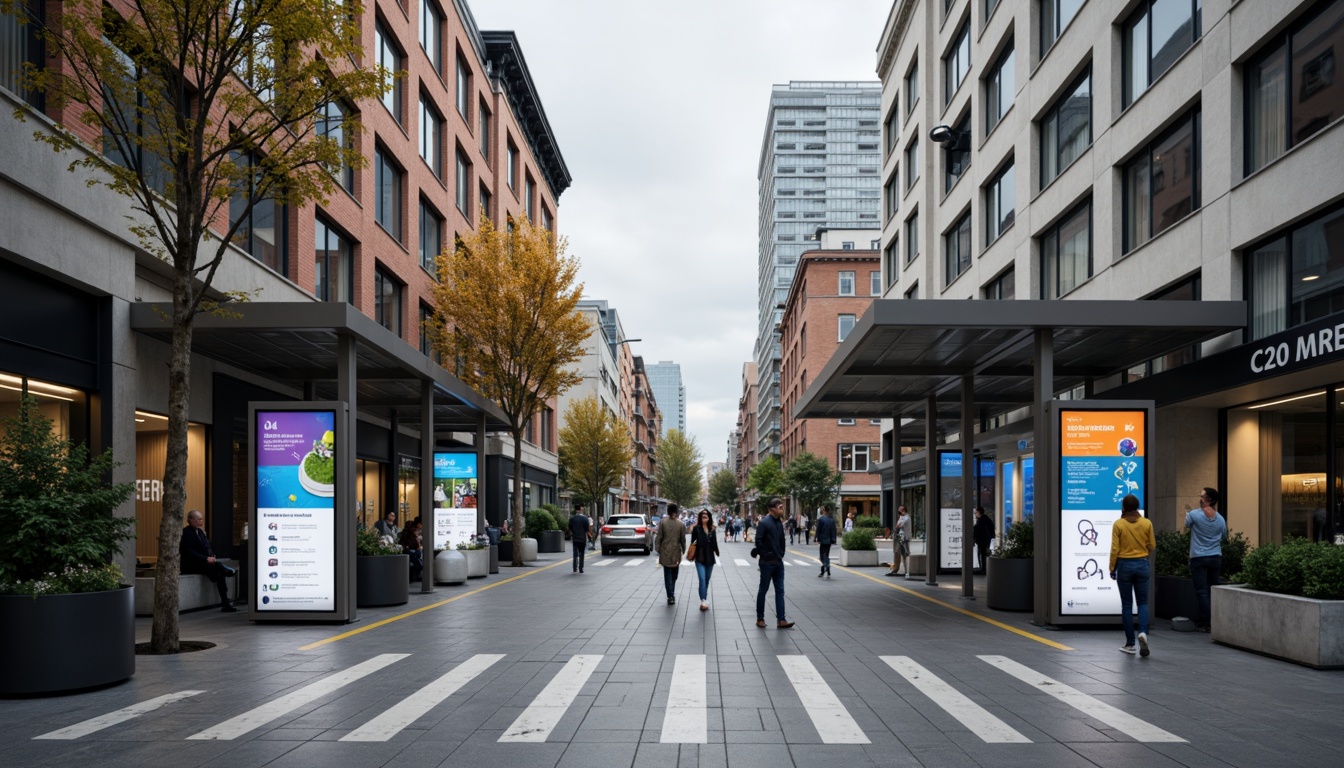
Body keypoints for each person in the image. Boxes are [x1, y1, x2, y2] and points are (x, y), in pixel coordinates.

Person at [1110, 494, 1156, 657]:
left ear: (1123, 507)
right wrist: (1144, 556)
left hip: (1124, 565)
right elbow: (1152, 545)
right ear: (1137, 506)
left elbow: (1115, 548)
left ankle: (1130, 643)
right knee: (1143, 603)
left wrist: (1112, 568)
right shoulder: (1146, 523)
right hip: (1142, 563)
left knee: (1127, 605)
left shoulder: (1119, 524)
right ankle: (1143, 632)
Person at [1186, 487, 1228, 632]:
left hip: (1198, 557)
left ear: (1207, 499)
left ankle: (1208, 622)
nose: (1200, 497)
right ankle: (1212, 620)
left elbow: (1186, 527)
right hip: (1216, 556)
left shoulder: (1194, 515)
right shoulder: (1221, 519)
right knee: (1213, 589)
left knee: (1202, 591)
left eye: (1201, 495)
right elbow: (1224, 537)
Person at [180, 510, 236, 612]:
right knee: (218, 567)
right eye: (199, 519)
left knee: (219, 575)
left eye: (202, 519)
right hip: (192, 565)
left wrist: (211, 556)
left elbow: (206, 547)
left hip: (203, 564)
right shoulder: (186, 533)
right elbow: (190, 552)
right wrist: (206, 558)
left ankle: (225, 603)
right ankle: (226, 570)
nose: (201, 521)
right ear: (191, 520)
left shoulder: (200, 532)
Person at [755, 497, 795, 629]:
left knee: (780, 591)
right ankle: (760, 618)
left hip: (778, 562)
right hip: (766, 563)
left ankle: (781, 619)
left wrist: (781, 554)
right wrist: (765, 555)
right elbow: (758, 541)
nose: (782, 509)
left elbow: (781, 540)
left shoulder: (779, 522)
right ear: (772, 509)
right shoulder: (764, 523)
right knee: (763, 590)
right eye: (780, 507)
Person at [689, 509, 721, 611]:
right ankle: (703, 600)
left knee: (706, 580)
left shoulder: (712, 529)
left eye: (706, 516)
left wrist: (717, 551)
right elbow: (693, 542)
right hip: (700, 556)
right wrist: (691, 553)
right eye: (703, 517)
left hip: (710, 557)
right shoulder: (696, 529)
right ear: (700, 518)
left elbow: (714, 542)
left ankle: (704, 597)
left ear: (709, 518)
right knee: (702, 579)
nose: (704, 518)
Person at [656, 502, 687, 604]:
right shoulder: (681, 524)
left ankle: (670, 595)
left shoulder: (663, 522)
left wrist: (658, 548)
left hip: (665, 551)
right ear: (676, 512)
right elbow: (683, 539)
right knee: (674, 574)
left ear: (668, 512)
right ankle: (671, 594)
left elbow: (659, 536)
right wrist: (683, 549)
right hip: (675, 552)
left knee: (667, 574)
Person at [815, 504, 838, 578]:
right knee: (827, 555)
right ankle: (827, 569)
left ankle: (824, 567)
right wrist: (833, 540)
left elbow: (818, 530)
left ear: (824, 510)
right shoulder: (832, 520)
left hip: (823, 540)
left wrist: (816, 538)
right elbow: (834, 531)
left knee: (822, 556)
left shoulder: (821, 520)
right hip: (829, 541)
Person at [887, 505, 911, 576]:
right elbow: (897, 526)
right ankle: (896, 568)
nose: (899, 512)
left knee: (904, 553)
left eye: (900, 510)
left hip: (904, 538)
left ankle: (906, 571)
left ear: (903, 510)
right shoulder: (902, 517)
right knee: (897, 552)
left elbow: (899, 526)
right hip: (899, 537)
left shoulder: (907, 518)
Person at [568, 504, 591, 573]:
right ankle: (581, 568)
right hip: (582, 538)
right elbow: (587, 529)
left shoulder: (572, 518)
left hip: (575, 538)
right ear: (581, 509)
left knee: (575, 553)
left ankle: (574, 568)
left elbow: (570, 528)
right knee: (582, 553)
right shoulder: (585, 518)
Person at [973, 506, 994, 574]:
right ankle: (984, 569)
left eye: (976, 512)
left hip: (982, 540)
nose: (975, 513)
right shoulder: (987, 519)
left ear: (979, 512)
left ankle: (983, 569)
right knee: (984, 554)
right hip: (986, 540)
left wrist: (974, 537)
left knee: (982, 554)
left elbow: (978, 530)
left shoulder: (981, 520)